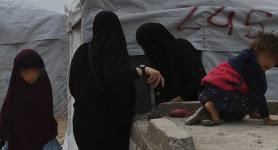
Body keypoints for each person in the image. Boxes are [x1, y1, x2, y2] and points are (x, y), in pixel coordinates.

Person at [69, 11, 164, 149]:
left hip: (83, 123)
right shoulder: (115, 52)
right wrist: (141, 71)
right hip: (111, 127)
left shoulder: (82, 51)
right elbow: (117, 80)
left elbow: (74, 87)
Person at [185, 32, 278, 126]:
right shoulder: (252, 66)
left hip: (205, 92)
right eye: (267, 57)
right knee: (251, 102)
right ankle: (213, 109)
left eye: (274, 61)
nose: (270, 63)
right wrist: (266, 118)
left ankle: (211, 112)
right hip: (217, 95)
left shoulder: (245, 57)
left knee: (238, 116)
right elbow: (257, 93)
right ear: (257, 51)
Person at [0, 49, 61, 150]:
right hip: (17, 142)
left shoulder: (43, 87)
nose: (32, 76)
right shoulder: (15, 93)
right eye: (27, 72)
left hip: (42, 140)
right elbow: (6, 120)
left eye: (36, 71)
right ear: (18, 73)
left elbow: (46, 116)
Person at [136, 23, 206, 103]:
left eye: (146, 44)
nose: (146, 49)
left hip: (192, 103)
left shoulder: (182, 47)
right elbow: (155, 89)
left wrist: (180, 98)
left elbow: (198, 77)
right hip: (168, 108)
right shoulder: (154, 57)